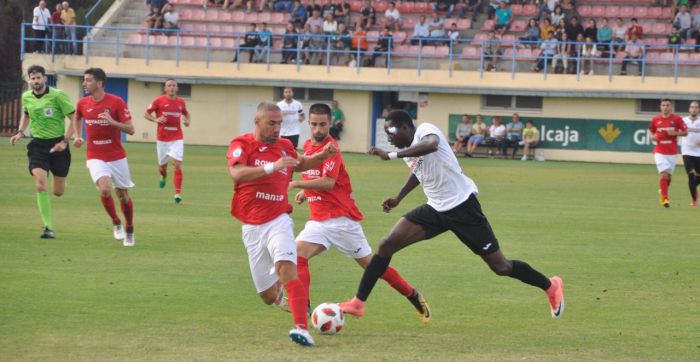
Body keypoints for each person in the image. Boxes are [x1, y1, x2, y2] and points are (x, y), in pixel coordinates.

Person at [338, 110, 565, 321]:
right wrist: (399, 197)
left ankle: (550, 285)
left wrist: (391, 154)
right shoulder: (409, 151)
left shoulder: (426, 131)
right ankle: (358, 303)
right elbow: (419, 172)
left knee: (501, 267)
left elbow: (431, 145)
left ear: (406, 127)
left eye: (391, 133)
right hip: (435, 209)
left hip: (463, 207)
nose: (388, 138)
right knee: (387, 244)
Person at [290, 103, 431, 328]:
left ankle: (413, 295)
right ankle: (304, 308)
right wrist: (306, 194)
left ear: (330, 124)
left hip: (342, 222)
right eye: (314, 124)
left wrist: (298, 183)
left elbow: (328, 182)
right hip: (318, 221)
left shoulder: (331, 148)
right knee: (296, 257)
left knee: (374, 267)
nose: (318, 129)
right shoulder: (307, 146)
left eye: (323, 124)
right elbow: (317, 176)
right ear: (308, 124)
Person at [226, 102, 337, 347]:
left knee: (288, 268)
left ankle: (301, 328)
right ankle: (280, 294)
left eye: (280, 123)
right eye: (272, 123)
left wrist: (322, 156)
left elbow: (301, 164)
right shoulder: (242, 144)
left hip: (279, 220)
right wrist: (271, 167)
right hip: (252, 227)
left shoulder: (285, 146)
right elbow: (237, 173)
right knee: (267, 296)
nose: (278, 128)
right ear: (257, 122)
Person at [9, 65, 76, 239]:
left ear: (45, 79)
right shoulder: (26, 97)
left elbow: (73, 117)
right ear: (29, 80)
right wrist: (20, 132)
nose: (36, 81)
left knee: (58, 192)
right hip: (38, 145)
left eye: (39, 78)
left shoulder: (58, 95)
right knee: (40, 184)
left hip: (59, 145)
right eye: (33, 78)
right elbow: (26, 114)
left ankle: (59, 180)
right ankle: (48, 227)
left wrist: (65, 141)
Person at [73, 68, 137, 246]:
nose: (84, 83)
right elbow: (77, 117)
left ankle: (130, 228)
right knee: (105, 189)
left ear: (100, 83)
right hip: (95, 155)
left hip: (116, 156)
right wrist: (78, 136)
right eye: (84, 80)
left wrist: (112, 122)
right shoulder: (83, 103)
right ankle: (116, 222)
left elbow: (131, 129)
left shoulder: (116, 102)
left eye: (88, 80)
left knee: (123, 195)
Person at [144, 78, 190, 203]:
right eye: (169, 85)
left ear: (177, 88)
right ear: (165, 88)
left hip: (177, 138)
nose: (171, 87)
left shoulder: (181, 102)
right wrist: (155, 120)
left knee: (177, 164)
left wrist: (187, 121)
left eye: (174, 85)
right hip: (162, 139)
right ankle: (163, 176)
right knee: (162, 167)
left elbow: (186, 114)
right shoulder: (158, 101)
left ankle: (177, 194)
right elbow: (146, 113)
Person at [649, 98, 688, 208]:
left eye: (667, 105)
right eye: (663, 105)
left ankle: (662, 191)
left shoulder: (677, 119)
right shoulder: (655, 119)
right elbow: (651, 131)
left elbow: (685, 132)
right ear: (660, 107)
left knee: (668, 178)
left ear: (670, 107)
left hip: (671, 152)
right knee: (664, 175)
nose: (665, 107)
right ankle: (665, 199)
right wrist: (652, 137)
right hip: (659, 151)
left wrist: (675, 132)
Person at [681, 101, 700, 206]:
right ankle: (694, 200)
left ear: (699, 109)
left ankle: (693, 190)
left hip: (699, 153)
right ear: (689, 109)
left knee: (698, 176)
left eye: (696, 107)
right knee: (691, 175)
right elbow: (678, 131)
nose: (694, 109)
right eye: (692, 107)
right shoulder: (683, 121)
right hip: (687, 152)